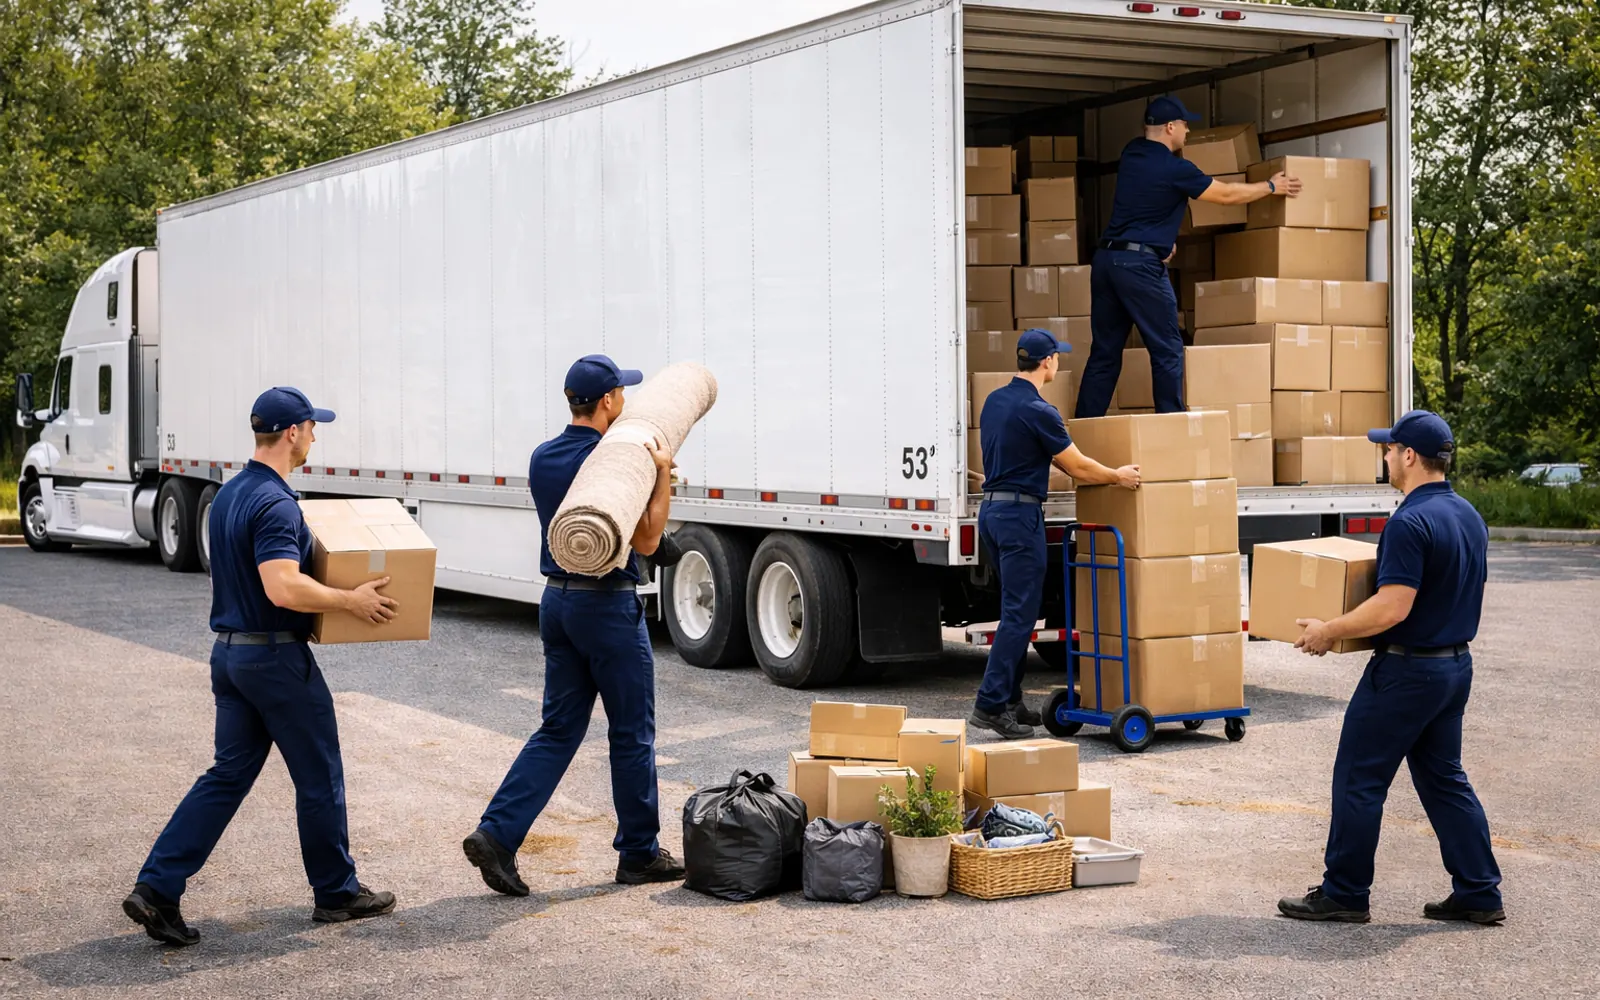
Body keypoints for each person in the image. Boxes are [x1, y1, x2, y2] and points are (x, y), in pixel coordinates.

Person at [123, 387, 400, 947]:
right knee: (319, 774)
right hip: (273, 657)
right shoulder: (275, 503)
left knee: (226, 776)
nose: (315, 437)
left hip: (230, 654)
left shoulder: (229, 494)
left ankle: (156, 888)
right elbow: (282, 584)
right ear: (293, 432)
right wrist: (351, 601)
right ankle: (337, 893)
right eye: (312, 428)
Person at [463, 354, 685, 895]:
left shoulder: (543, 457)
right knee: (631, 732)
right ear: (608, 401)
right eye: (622, 394)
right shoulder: (616, 461)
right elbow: (650, 541)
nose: (626, 402)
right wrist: (659, 476)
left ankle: (497, 834)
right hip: (606, 606)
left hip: (556, 601)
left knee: (558, 729)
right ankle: (638, 854)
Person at [1278, 410, 1504, 925]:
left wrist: (1327, 630)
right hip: (1453, 668)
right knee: (1445, 779)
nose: (1383, 457)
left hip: (1407, 673)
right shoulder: (1469, 514)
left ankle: (1345, 893)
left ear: (1408, 455)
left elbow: (1393, 606)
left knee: (1359, 778)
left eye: (1387, 449)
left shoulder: (1408, 520)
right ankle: (1479, 891)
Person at [1075, 95, 1303, 419]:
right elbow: (1224, 195)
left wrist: (1158, 242)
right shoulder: (1176, 169)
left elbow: (1144, 203)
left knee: (1105, 353)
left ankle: (1082, 430)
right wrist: (1269, 185)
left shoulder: (1131, 153)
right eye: (1185, 125)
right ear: (1170, 127)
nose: (1188, 133)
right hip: (1139, 268)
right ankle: (1174, 430)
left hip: (1107, 261)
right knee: (1167, 349)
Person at [970, 329, 1142, 739]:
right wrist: (1118, 476)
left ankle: (1011, 700)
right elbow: (1078, 467)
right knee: (1020, 615)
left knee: (1014, 609)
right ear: (1047, 362)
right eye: (1057, 357)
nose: (1058, 363)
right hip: (1018, 516)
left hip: (992, 513)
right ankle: (990, 705)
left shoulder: (995, 401)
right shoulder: (1038, 410)